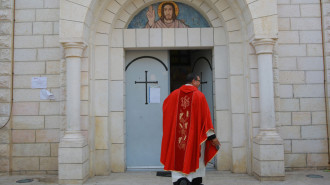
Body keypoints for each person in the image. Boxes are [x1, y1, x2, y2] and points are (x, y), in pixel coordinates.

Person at [161, 73, 221, 185]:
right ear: (193, 81)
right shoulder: (199, 96)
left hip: (177, 138)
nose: (199, 83)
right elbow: (206, 120)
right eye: (198, 81)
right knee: (196, 158)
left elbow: (165, 109)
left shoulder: (174, 94)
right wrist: (212, 137)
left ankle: (180, 180)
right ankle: (194, 181)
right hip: (195, 138)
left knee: (177, 158)